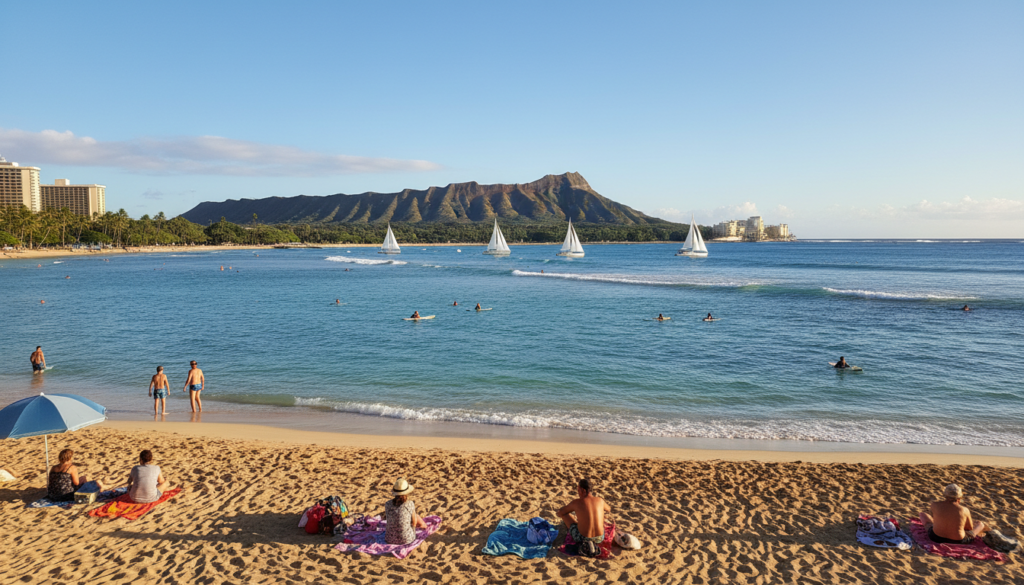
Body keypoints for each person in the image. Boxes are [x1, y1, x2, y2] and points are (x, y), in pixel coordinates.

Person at [920, 484, 989, 544]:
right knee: (980, 524)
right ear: (959, 498)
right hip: (959, 541)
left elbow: (935, 518)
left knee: (922, 514)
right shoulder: (964, 510)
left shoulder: (934, 505)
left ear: (945, 495)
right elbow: (969, 528)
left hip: (936, 537)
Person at [557, 478, 610, 554]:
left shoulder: (577, 502)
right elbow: (608, 509)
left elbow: (561, 513)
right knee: (601, 516)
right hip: (600, 537)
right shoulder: (600, 500)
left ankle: (588, 542)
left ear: (583, 490)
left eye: (578, 490)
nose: (578, 493)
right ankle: (592, 541)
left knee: (565, 515)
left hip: (583, 538)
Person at [384, 478, 427, 545]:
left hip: (389, 539)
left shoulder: (387, 504)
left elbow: (388, 519)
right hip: (407, 539)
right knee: (416, 515)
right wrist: (413, 529)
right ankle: (423, 525)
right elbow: (414, 522)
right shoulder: (409, 504)